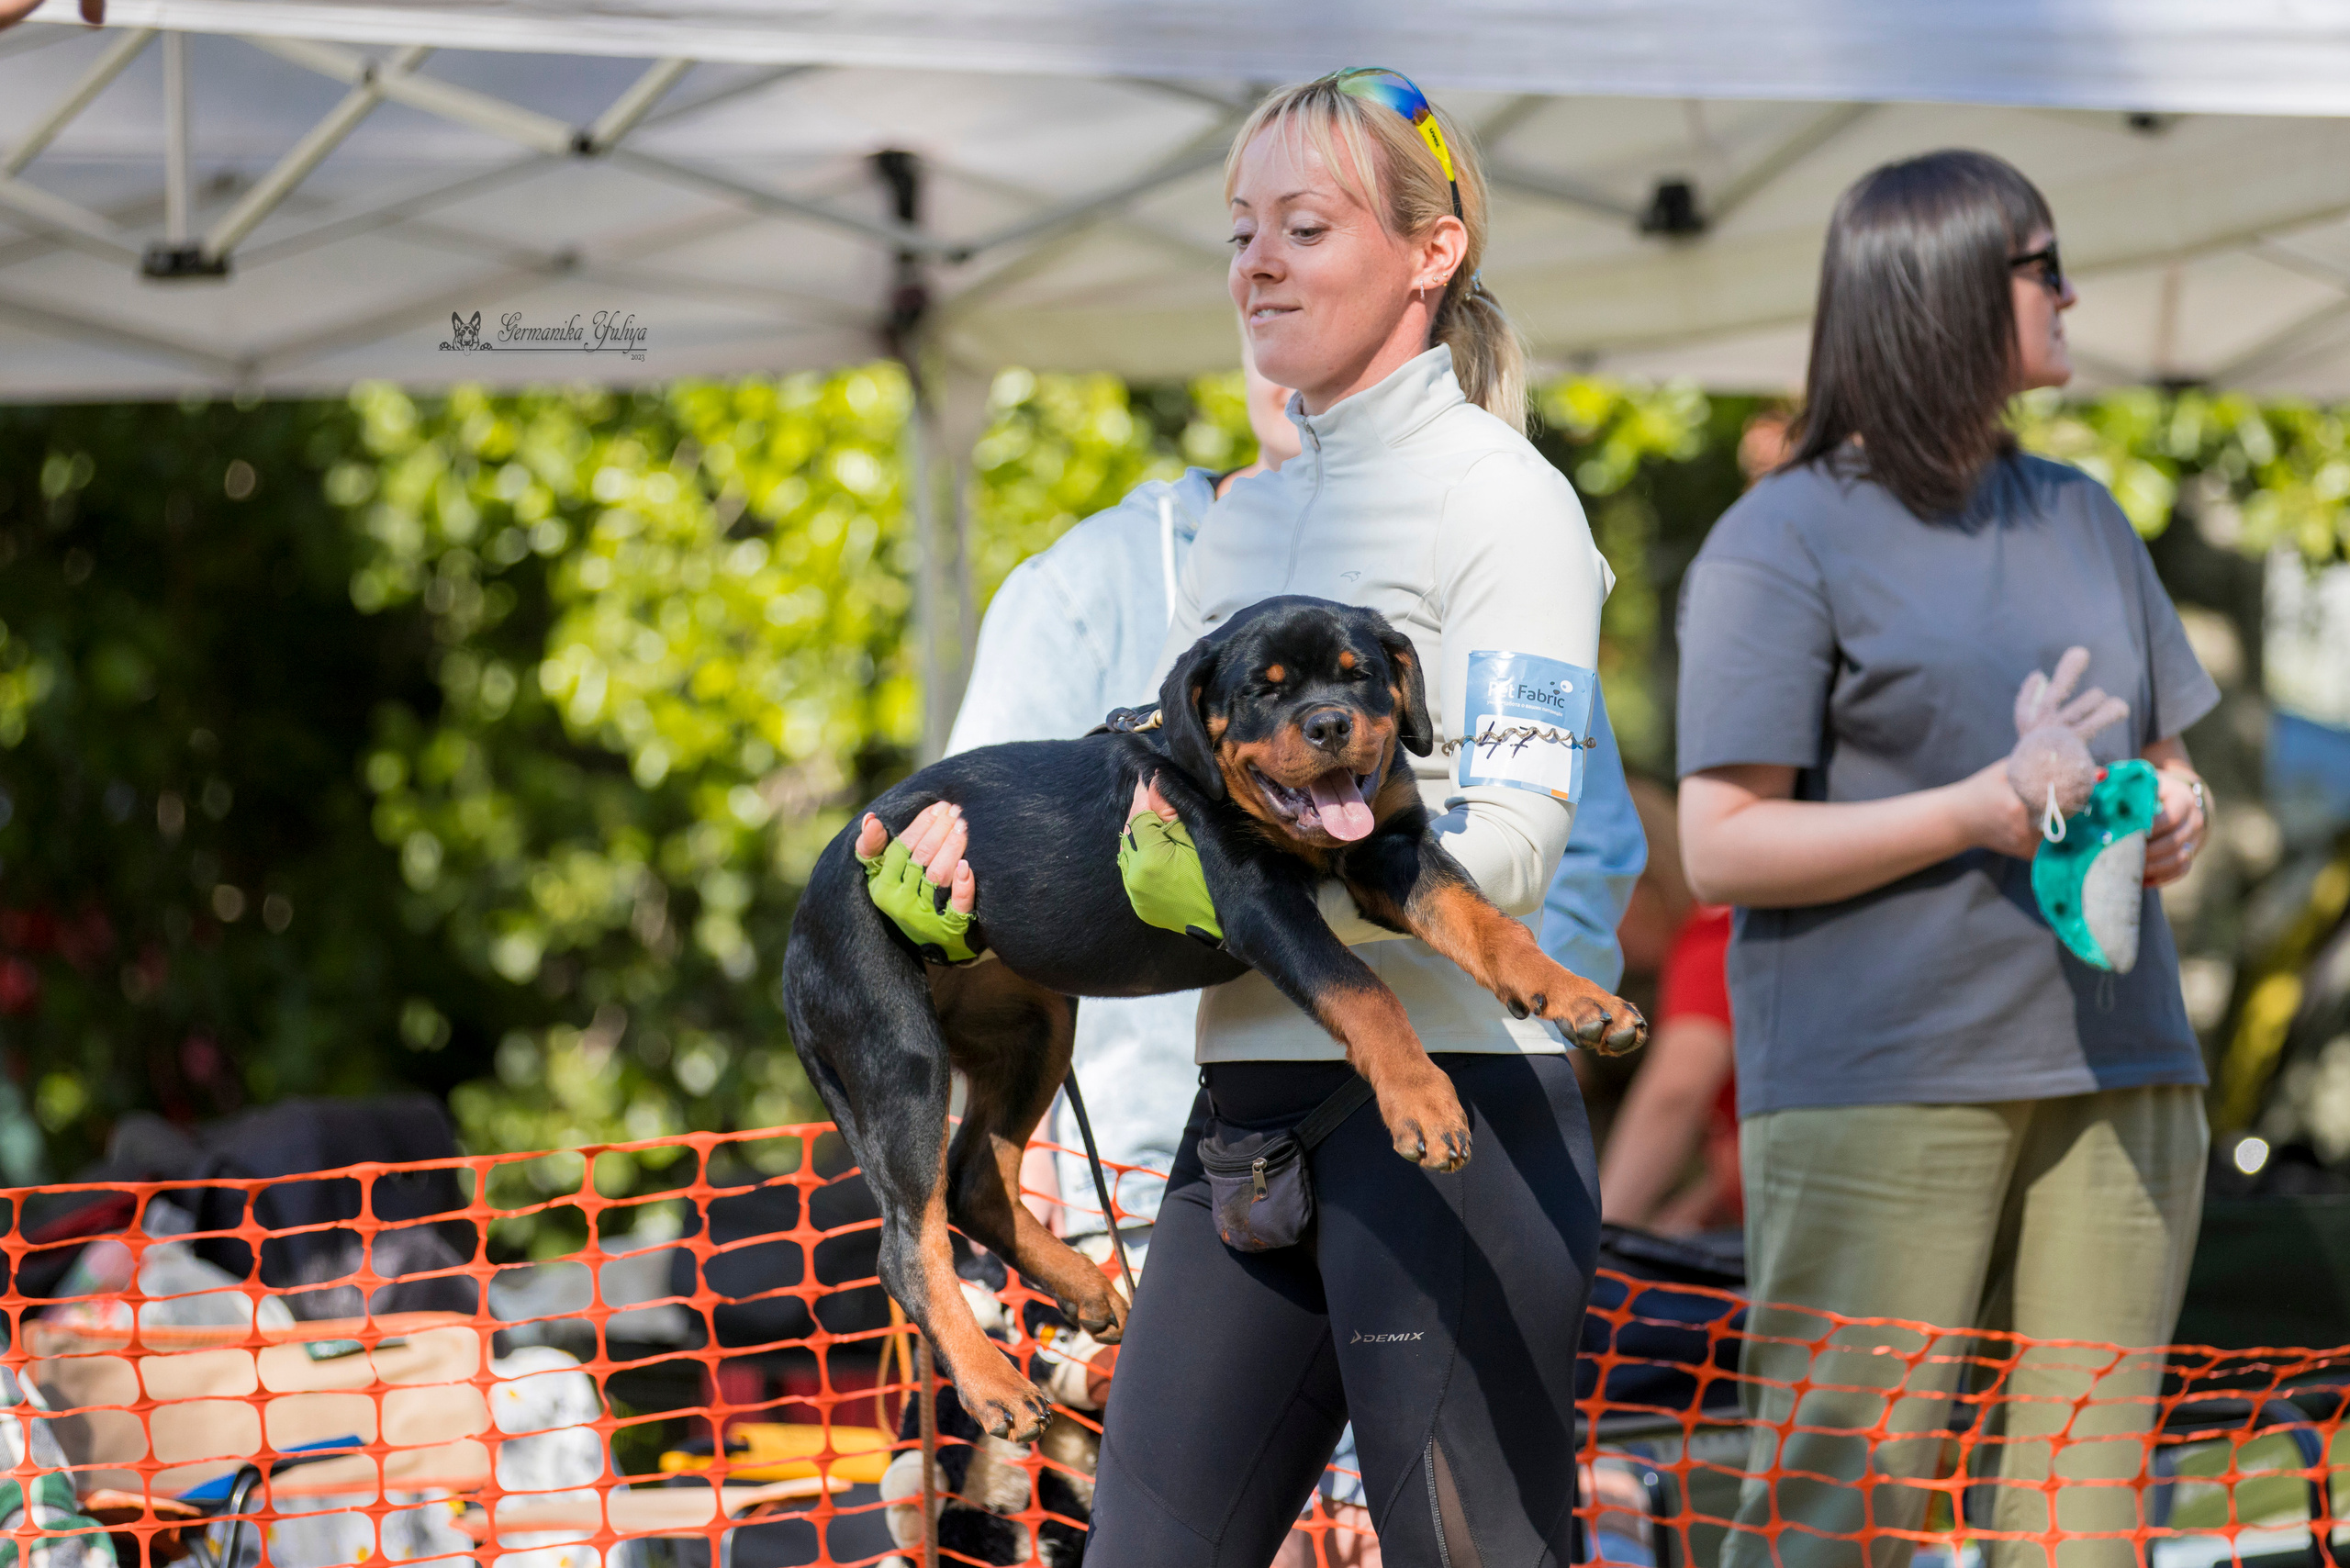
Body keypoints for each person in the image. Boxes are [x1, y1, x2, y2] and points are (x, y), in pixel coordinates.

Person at [865, 68, 1617, 1562]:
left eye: (1305, 226)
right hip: (1246, 1131)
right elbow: (1161, 828)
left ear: (1429, 254)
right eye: (1238, 231)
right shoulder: (1246, 530)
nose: (1255, 264)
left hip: (1455, 1104)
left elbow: (1518, 847)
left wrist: (1272, 843)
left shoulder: (1509, 503)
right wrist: (974, 860)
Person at [1675, 150, 2216, 1568]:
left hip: (2122, 1070)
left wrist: (2174, 811)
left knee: (2082, 1531)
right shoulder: (1776, 537)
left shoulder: (2084, 512)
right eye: (2045, 265)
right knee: (1835, 1521)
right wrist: (1978, 808)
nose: (2072, 291)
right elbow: (1719, 846)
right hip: (1883, 1079)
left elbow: (2161, 759)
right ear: (1951, 291)